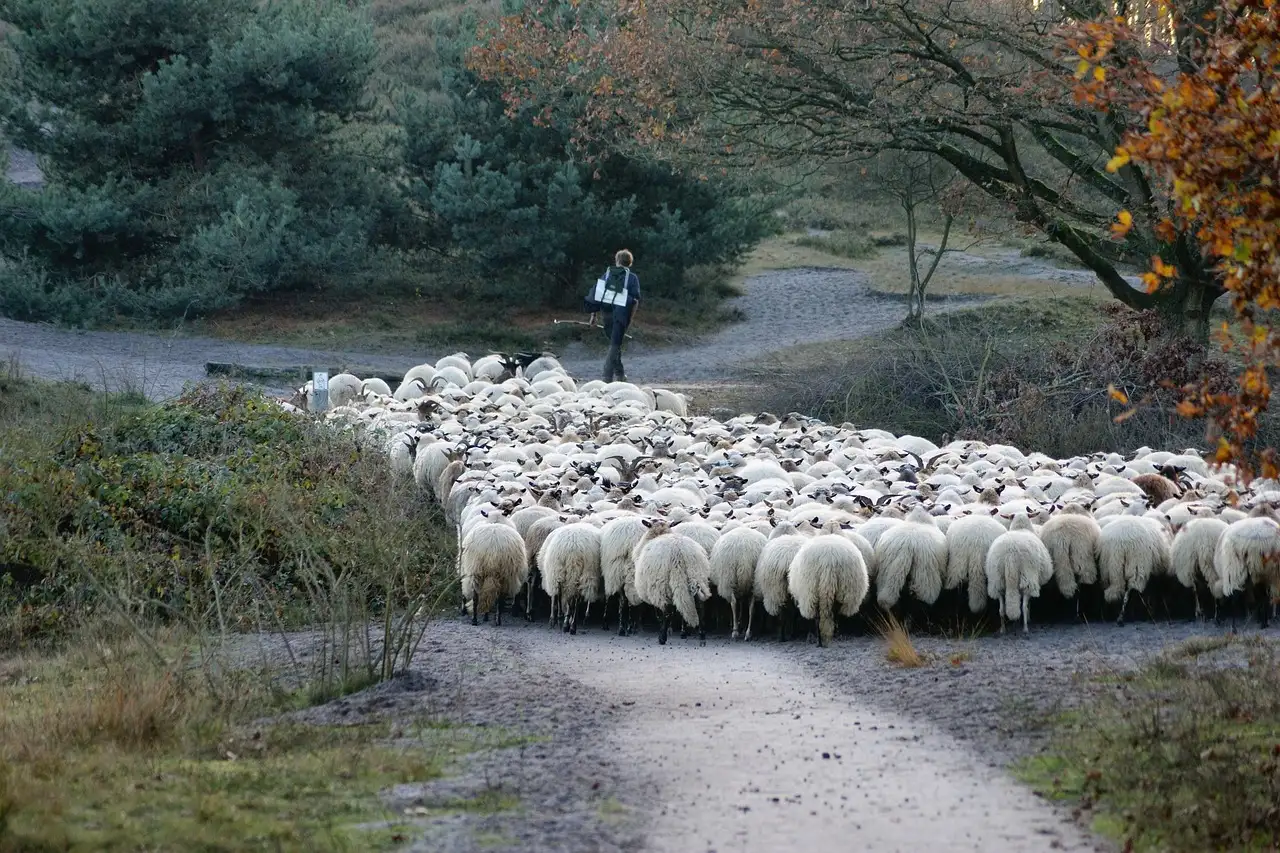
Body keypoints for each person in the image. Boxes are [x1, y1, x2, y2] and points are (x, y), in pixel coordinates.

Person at [595, 249, 640, 382]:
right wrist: (630, 319)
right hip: (621, 315)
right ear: (629, 262)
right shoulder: (632, 278)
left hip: (606, 313)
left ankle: (620, 374)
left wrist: (593, 316)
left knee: (614, 343)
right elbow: (635, 301)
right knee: (615, 345)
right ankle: (606, 376)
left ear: (617, 261)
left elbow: (597, 296)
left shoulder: (608, 275)